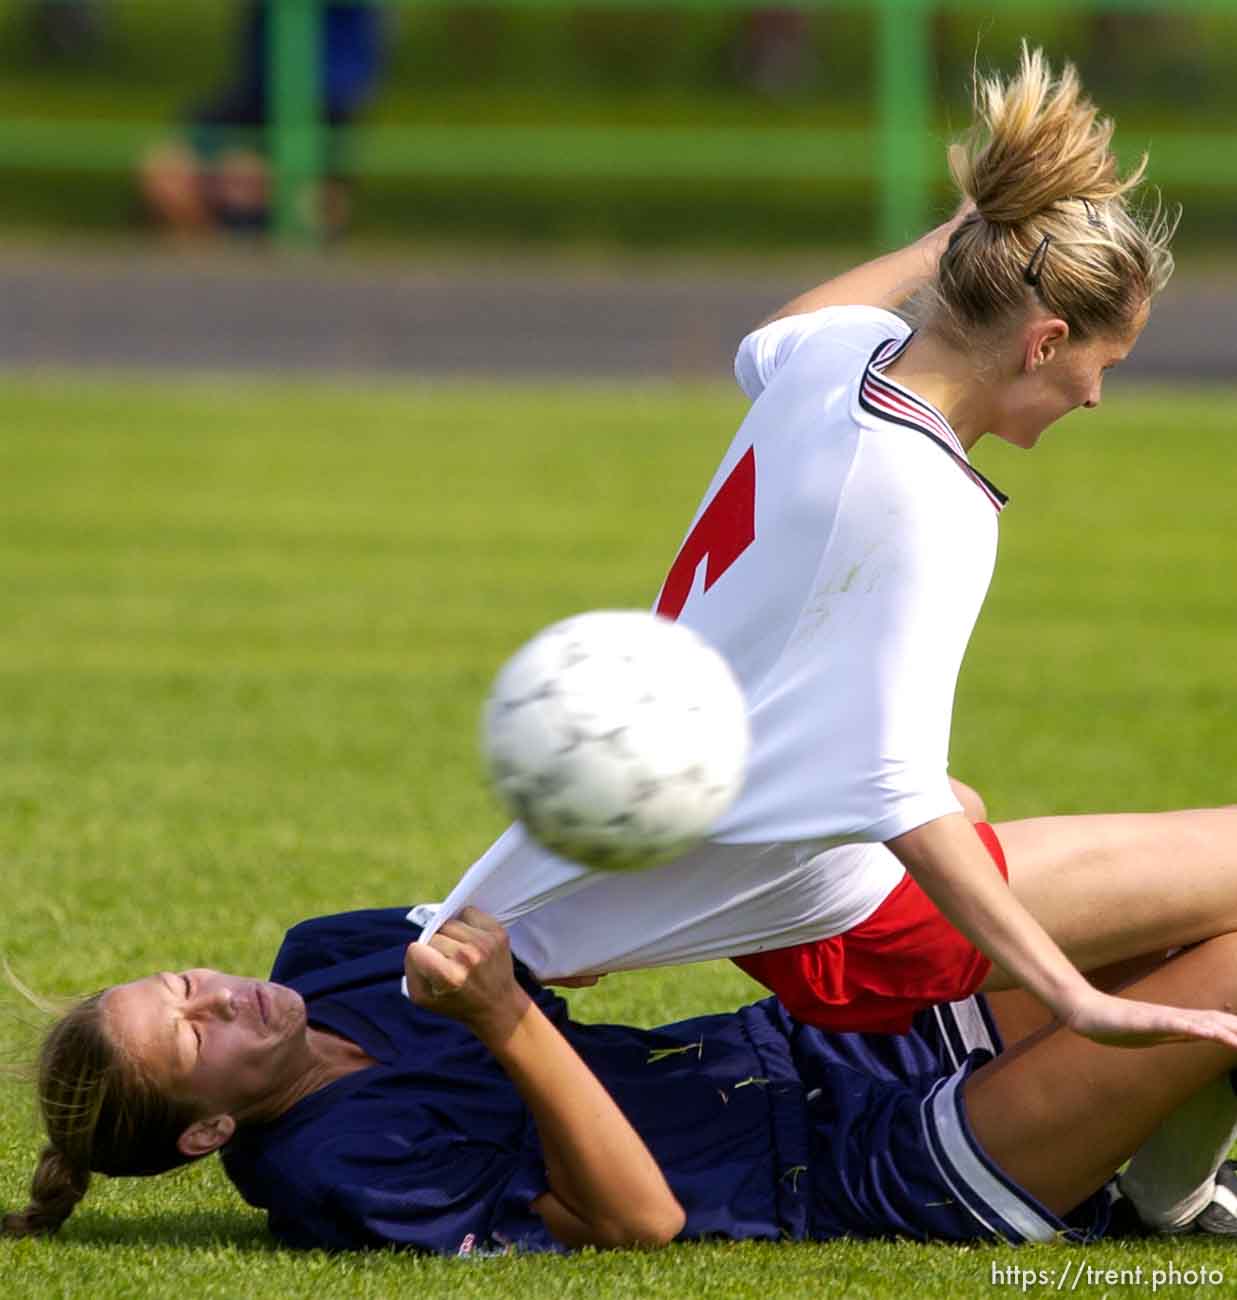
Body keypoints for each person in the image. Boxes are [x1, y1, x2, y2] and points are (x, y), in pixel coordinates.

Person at [419, 45, 1237, 1055]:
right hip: (850, 923)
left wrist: (961, 239)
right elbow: (887, 787)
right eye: (1098, 365)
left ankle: (1153, 1160)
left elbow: (770, 335)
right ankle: (1142, 1163)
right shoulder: (930, 501)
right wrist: (1076, 997)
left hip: (762, 852)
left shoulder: (838, 359)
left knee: (982, 808)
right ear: (1042, 342)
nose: (1095, 397)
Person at [7, 903, 1237, 1250]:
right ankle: (1159, 1188)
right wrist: (504, 1018)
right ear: (206, 1129)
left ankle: (1165, 1188)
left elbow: (549, 939)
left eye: (188, 982)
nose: (222, 993)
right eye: (197, 1031)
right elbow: (637, 1221)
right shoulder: (337, 1169)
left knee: (1190, 914)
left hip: (834, 1041)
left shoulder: (325, 959)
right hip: (874, 1171)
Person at [139, 1, 386, 238]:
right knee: (167, 170)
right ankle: (213, 268)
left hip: (325, 98)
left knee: (311, 204)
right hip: (258, 91)